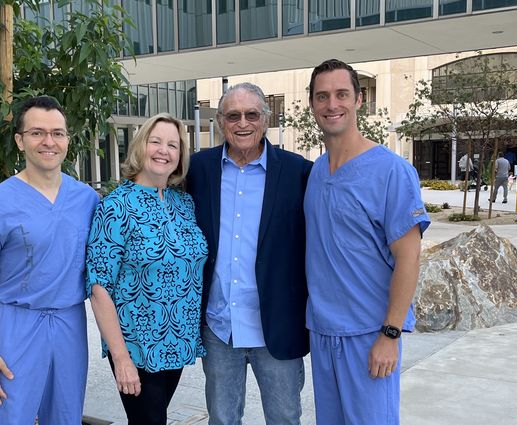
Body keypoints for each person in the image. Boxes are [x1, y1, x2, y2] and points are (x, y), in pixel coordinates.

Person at [304, 59, 430, 425]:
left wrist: (390, 333)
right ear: (312, 104)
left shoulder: (391, 171)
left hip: (369, 335)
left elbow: (409, 258)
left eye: (342, 94)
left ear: (360, 100)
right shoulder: (316, 171)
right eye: (322, 96)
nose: (332, 104)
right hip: (323, 333)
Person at [0, 96, 99, 424]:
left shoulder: (88, 200)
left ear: (67, 140)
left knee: (66, 417)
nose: (49, 142)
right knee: (9, 416)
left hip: (70, 323)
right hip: (16, 327)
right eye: (37, 133)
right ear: (20, 140)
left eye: (58, 133)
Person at [186, 82, 312, 425]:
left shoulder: (298, 171)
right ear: (220, 122)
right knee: (223, 419)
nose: (243, 123)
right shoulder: (197, 170)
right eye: (233, 115)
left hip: (276, 327)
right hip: (219, 326)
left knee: (285, 418)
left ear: (266, 119)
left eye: (252, 114)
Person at [86, 113, 207, 425]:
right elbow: (99, 288)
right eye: (156, 141)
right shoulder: (115, 206)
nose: (163, 150)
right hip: (136, 349)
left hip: (175, 342)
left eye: (172, 145)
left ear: (180, 156)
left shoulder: (185, 204)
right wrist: (120, 358)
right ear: (141, 146)